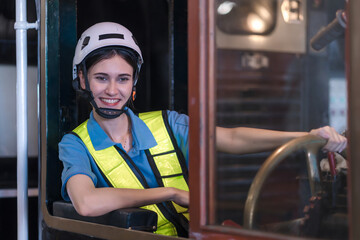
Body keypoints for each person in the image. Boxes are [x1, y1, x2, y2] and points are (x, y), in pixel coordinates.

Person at [59, 22, 347, 237]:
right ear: (83, 79)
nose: (112, 90)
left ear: (134, 83)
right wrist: (169, 192)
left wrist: (309, 137)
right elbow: (86, 202)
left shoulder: (168, 124)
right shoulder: (75, 144)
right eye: (101, 78)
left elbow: (231, 137)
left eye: (122, 78)